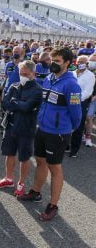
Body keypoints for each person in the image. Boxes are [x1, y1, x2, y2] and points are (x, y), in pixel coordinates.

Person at [19, 47, 82, 221]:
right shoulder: (48, 78)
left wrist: (69, 129)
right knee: (40, 161)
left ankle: (53, 205)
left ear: (68, 63)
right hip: (43, 128)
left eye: (57, 61)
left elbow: (77, 114)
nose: (53, 64)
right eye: (52, 61)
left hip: (58, 133)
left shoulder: (71, 84)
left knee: (55, 168)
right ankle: (36, 192)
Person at [0, 60, 42, 196]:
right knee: (9, 153)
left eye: (26, 74)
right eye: (21, 73)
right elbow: (4, 103)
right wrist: (18, 104)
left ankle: (21, 183)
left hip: (26, 129)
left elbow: (27, 107)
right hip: (10, 125)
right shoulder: (15, 86)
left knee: (24, 157)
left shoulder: (38, 90)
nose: (22, 76)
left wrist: (15, 103)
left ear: (33, 73)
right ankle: (8, 179)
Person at [68, 55, 95, 157]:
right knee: (67, 123)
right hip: (68, 101)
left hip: (81, 102)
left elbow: (88, 92)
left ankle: (74, 150)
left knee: (78, 126)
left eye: (83, 62)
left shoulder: (90, 76)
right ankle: (66, 145)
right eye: (79, 61)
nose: (80, 63)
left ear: (87, 63)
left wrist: (75, 100)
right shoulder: (71, 73)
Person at [84, 54, 96, 147]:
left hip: (93, 98)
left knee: (89, 117)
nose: (92, 63)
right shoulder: (83, 71)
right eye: (91, 60)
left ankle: (88, 137)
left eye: (94, 61)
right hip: (83, 97)